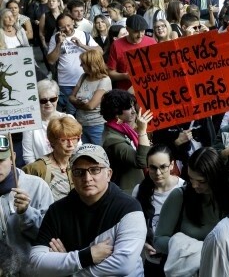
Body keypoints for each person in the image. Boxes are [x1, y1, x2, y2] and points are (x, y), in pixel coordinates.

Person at [30, 143, 148, 276]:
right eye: (79, 172)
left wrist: (68, 270)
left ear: (109, 174)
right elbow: (36, 262)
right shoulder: (57, 210)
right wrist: (85, 257)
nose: (87, 178)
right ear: (72, 176)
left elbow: (123, 264)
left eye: (95, 169)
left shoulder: (129, 207)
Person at [155, 148, 229, 275]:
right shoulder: (180, 196)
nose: (194, 185)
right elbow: (158, 240)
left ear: (216, 177)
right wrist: (190, 248)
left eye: (201, 181)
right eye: (191, 179)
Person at [0, 134, 53, 271]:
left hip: (30, 270)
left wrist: (26, 213)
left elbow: (49, 238)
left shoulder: (37, 186)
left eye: (1, 160)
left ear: (12, 157)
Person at [133, 145, 185, 276]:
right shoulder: (139, 191)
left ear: (172, 165)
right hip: (152, 262)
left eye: (163, 167)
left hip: (179, 263)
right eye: (153, 168)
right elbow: (134, 226)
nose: (158, 173)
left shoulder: (184, 189)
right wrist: (143, 243)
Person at [46, 13, 101, 115]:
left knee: (86, 109)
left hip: (86, 80)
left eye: (69, 25)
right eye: (63, 27)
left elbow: (99, 51)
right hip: (66, 83)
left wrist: (81, 45)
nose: (67, 29)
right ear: (58, 27)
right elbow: (51, 60)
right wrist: (59, 44)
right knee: (71, 112)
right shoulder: (55, 38)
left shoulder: (83, 35)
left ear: (73, 22)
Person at [100, 89, 153, 194]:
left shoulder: (122, 129)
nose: (134, 111)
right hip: (128, 192)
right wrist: (142, 132)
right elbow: (142, 161)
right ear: (116, 113)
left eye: (133, 106)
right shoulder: (113, 139)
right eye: (129, 108)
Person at [22, 116, 81, 201]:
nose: (70, 144)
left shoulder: (78, 163)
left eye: (75, 139)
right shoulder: (37, 168)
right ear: (52, 141)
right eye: (64, 140)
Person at [22, 79, 75, 165]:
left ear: (57, 98)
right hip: (43, 173)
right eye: (43, 100)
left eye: (52, 99)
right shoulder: (30, 125)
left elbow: (77, 148)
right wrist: (40, 173)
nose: (48, 103)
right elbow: (28, 156)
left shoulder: (69, 119)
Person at [69, 48, 111, 145]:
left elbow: (91, 106)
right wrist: (78, 103)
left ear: (91, 64)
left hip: (97, 125)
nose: (81, 66)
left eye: (83, 63)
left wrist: (76, 104)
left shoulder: (104, 80)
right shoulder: (84, 76)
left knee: (98, 153)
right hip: (80, 123)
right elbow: (71, 97)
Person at [106, 15, 156, 90]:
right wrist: (125, 76)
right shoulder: (116, 45)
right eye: (136, 32)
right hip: (126, 93)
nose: (140, 35)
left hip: (150, 89)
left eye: (142, 31)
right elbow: (110, 73)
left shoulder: (151, 42)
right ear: (127, 29)